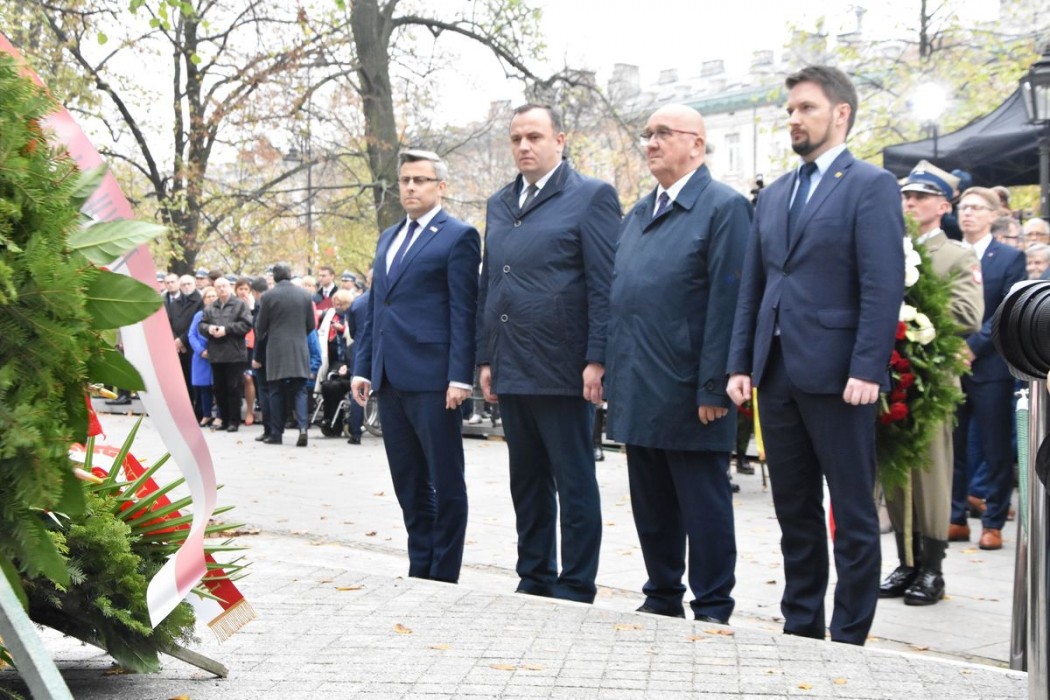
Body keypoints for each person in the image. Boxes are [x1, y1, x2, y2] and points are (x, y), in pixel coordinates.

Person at [726, 65, 905, 645]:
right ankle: (801, 627)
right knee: (794, 511)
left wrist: (868, 367)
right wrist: (741, 363)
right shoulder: (775, 193)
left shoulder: (870, 185)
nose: (794, 120)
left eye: (806, 108)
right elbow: (753, 287)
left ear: (841, 113)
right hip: (776, 375)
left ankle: (849, 635)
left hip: (840, 376)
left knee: (852, 514)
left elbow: (883, 283)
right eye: (790, 111)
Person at [605, 104, 751, 623]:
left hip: (691, 389)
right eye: (647, 134)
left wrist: (714, 385)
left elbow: (729, 303)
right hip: (639, 381)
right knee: (651, 502)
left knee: (702, 502)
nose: (651, 142)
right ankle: (662, 593)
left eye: (663, 133)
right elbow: (621, 296)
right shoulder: (639, 213)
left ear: (697, 143)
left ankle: (712, 604)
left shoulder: (724, 207)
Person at [477, 104, 620, 603]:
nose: (524, 146)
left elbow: (604, 283)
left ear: (560, 139)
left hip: (564, 366)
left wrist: (597, 357)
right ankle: (534, 574)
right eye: (516, 138)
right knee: (527, 480)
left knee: (573, 479)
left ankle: (576, 583)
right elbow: (490, 282)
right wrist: (486, 357)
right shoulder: (499, 203)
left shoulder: (591, 196)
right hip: (512, 362)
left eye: (534, 136)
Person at [351, 149, 480, 583]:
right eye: (405, 180)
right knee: (408, 482)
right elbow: (377, 307)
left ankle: (444, 574)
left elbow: (464, 310)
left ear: (440, 186)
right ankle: (420, 567)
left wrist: (460, 376)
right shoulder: (388, 237)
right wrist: (363, 366)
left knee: (446, 481)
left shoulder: (458, 236)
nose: (410, 187)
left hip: (435, 380)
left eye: (420, 180)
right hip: (389, 378)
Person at [880, 161, 983, 606]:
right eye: (906, 196)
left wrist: (912, 314)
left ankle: (932, 569)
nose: (910, 203)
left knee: (931, 474)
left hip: (931, 379)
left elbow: (967, 315)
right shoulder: (888, 247)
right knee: (895, 471)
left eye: (921, 197)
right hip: (889, 374)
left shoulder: (956, 254)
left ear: (943, 206)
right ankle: (907, 561)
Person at [948, 187, 1027, 551]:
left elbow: (1007, 309)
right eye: (964, 207)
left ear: (994, 215)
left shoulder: (1009, 257)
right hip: (950, 363)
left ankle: (993, 521)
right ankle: (955, 516)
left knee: (995, 447)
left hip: (990, 365)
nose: (968, 214)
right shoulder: (950, 252)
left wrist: (973, 346)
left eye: (977, 208)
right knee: (953, 445)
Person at [256, 262, 316, 447]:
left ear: (274, 277)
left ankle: (276, 434)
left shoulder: (268, 296)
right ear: (289, 275)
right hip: (299, 348)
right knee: (300, 390)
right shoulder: (305, 295)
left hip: (276, 349)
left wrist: (265, 336)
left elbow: (260, 327)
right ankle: (303, 428)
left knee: (276, 391)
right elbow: (311, 325)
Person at [199, 276, 252, 432]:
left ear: (230, 287)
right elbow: (201, 325)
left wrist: (227, 329)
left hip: (234, 353)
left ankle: (234, 421)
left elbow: (247, 324)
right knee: (219, 389)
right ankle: (224, 419)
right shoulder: (210, 307)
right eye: (218, 287)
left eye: (224, 286)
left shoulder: (240, 305)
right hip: (216, 354)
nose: (222, 289)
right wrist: (208, 329)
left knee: (234, 388)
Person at [188, 286, 217, 426]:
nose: (211, 299)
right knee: (204, 387)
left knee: (218, 387)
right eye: (208, 296)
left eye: (213, 296)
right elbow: (191, 335)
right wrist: (200, 350)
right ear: (204, 299)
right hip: (201, 356)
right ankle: (206, 415)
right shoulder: (198, 315)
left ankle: (220, 415)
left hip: (218, 354)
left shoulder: (221, 313)